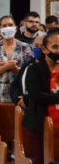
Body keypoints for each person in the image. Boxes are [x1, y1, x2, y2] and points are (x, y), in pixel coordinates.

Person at [23, 28, 59, 164]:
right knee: (41, 157)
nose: (58, 51)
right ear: (44, 49)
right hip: (40, 121)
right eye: (54, 47)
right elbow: (36, 95)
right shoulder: (34, 69)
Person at [0, 15, 32, 109]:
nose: (8, 28)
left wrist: (15, 68)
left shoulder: (25, 47)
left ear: (16, 28)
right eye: (4, 26)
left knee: (18, 123)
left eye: (10, 25)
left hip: (19, 97)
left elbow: (30, 76)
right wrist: (6, 66)